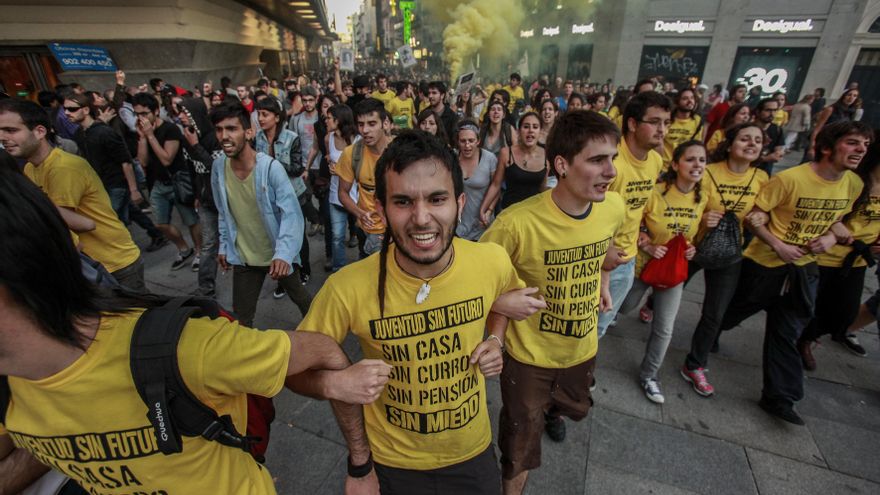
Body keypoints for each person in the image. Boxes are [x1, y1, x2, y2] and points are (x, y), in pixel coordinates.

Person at [0, 165, 386, 495]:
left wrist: (340, 401)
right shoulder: (14, 390)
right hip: (244, 259)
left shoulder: (192, 348)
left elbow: (320, 348)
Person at [297, 129, 531, 495]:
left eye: (437, 199)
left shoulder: (491, 260)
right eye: (403, 201)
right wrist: (335, 387)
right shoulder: (346, 287)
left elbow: (502, 295)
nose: (421, 218)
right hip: (392, 463)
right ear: (381, 209)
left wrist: (495, 339)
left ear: (460, 203)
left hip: (472, 452)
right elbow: (292, 366)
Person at [481, 110, 625, 495]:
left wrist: (603, 278)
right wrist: (501, 303)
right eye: (597, 160)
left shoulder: (613, 207)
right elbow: (470, 282)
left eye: (613, 158)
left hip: (582, 349)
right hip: (529, 359)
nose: (611, 171)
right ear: (561, 165)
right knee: (519, 447)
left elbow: (605, 244)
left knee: (575, 408)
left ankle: (553, 410)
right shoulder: (515, 223)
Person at [718, 121, 870, 425]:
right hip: (764, 264)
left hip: (804, 268)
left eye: (865, 144)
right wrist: (778, 244)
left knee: (788, 330)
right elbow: (754, 217)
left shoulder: (854, 183)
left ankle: (780, 397)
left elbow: (836, 220)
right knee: (730, 312)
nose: (861, 149)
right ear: (827, 147)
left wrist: (830, 238)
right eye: (853, 142)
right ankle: (712, 331)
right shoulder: (789, 179)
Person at [0, 98, 147, 293]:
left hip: (113, 264)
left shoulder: (63, 168)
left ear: (40, 131)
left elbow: (63, 228)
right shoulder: (30, 168)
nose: (3, 138)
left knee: (140, 312)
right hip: (94, 265)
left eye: (11, 130)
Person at [681, 123, 769, 396]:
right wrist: (702, 217)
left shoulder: (761, 178)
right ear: (729, 144)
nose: (751, 144)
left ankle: (695, 364)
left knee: (715, 313)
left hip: (730, 253)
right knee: (668, 291)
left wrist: (761, 216)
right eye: (745, 139)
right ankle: (651, 304)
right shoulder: (708, 172)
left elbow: (765, 209)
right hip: (696, 248)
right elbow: (687, 203)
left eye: (757, 140)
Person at [619, 141, 709, 403]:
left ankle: (649, 375)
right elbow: (632, 222)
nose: (697, 165)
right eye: (690, 159)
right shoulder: (654, 193)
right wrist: (647, 244)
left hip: (672, 273)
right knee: (624, 307)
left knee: (664, 329)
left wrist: (692, 249)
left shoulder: (702, 198)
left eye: (702, 160)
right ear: (675, 164)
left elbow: (692, 236)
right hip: (642, 266)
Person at [210, 102, 312, 328]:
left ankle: (323, 334)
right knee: (241, 320)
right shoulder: (218, 167)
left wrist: (284, 254)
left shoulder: (270, 168)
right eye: (219, 130)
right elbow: (223, 211)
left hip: (276, 254)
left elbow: (292, 215)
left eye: (231, 129)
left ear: (249, 132)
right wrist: (224, 245)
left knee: (303, 300)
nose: (224, 136)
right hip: (245, 258)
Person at [797, 136, 880, 367]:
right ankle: (802, 340)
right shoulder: (854, 180)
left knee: (844, 313)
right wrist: (835, 230)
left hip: (858, 260)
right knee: (809, 305)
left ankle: (808, 336)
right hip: (826, 255)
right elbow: (827, 211)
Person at [597, 91, 671, 338]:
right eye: (655, 122)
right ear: (632, 123)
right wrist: (604, 261)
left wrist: (644, 233)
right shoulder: (611, 162)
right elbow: (594, 213)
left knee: (602, 327)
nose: (662, 130)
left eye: (666, 123)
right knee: (586, 328)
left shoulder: (655, 161)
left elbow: (639, 206)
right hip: (599, 259)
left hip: (628, 258)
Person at [132, 92, 202, 271]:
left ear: (155, 111)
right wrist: (142, 138)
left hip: (177, 181)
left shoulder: (170, 129)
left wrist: (150, 136)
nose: (141, 118)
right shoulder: (143, 132)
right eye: (137, 114)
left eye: (144, 113)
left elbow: (166, 159)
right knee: (160, 223)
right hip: (157, 184)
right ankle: (184, 249)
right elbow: (143, 161)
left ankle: (199, 252)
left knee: (191, 220)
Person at [62, 92, 142, 224]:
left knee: (112, 221)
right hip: (100, 185)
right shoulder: (79, 134)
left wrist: (133, 189)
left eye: (72, 109)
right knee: (125, 217)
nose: (66, 113)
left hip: (116, 184)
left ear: (86, 110)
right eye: (65, 109)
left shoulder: (104, 132)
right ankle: (155, 232)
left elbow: (125, 161)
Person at [179, 96, 224, 296]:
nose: (181, 117)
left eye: (185, 112)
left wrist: (196, 146)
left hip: (225, 199)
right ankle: (206, 288)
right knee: (209, 243)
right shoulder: (187, 138)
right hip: (206, 202)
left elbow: (217, 169)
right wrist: (197, 195)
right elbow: (192, 171)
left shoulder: (214, 137)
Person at [337, 98, 392, 256]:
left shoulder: (400, 152)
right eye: (361, 124)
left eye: (372, 124)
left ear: (385, 123)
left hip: (396, 231)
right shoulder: (351, 154)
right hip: (366, 229)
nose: (365, 130)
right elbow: (343, 193)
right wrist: (360, 213)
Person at [480, 112, 548, 215]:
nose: (530, 130)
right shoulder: (506, 153)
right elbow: (496, 185)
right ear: (518, 131)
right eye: (526, 127)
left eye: (535, 127)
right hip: (509, 213)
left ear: (540, 132)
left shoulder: (546, 156)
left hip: (534, 215)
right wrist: (484, 209)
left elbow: (543, 189)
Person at [325, 104, 359, 272]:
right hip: (335, 195)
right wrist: (331, 166)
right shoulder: (328, 138)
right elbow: (329, 158)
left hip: (357, 196)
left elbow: (361, 167)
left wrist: (340, 169)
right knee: (337, 236)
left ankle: (364, 267)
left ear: (338, 120)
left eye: (329, 118)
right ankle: (339, 269)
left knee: (363, 233)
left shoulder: (358, 140)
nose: (326, 121)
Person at [455, 119, 499, 240]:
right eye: (463, 141)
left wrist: (489, 211)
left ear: (478, 141)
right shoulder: (453, 158)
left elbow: (496, 187)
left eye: (471, 140)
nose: (467, 145)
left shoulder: (489, 158)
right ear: (458, 141)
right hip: (459, 225)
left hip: (482, 223)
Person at [808, 88, 860, 160]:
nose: (851, 98)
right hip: (822, 142)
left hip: (835, 145)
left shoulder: (851, 112)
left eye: (855, 96)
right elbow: (817, 129)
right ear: (843, 96)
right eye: (849, 95)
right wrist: (811, 147)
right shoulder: (831, 109)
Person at [662, 88, 703, 167]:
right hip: (664, 165)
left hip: (682, 166)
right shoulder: (667, 118)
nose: (690, 101)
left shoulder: (697, 121)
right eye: (685, 98)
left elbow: (696, 146)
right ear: (677, 102)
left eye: (692, 98)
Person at [753, 98, 786, 175]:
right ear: (758, 112)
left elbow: (779, 149)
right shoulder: (748, 128)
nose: (772, 114)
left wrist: (778, 153)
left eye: (775, 110)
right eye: (768, 110)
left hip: (764, 171)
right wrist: (765, 159)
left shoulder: (777, 129)